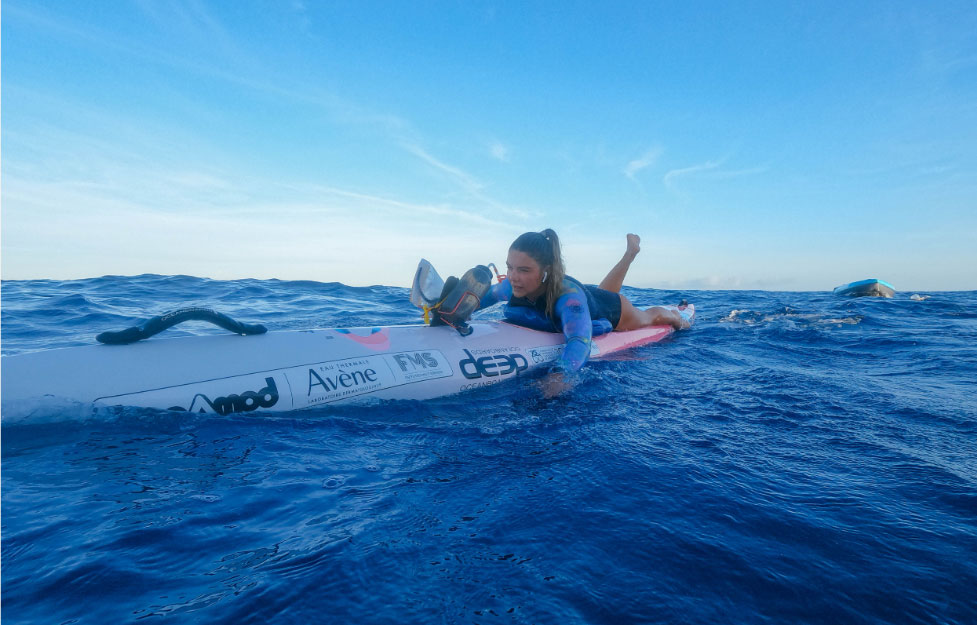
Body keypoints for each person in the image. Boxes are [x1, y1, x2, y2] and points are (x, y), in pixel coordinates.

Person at [477, 229, 689, 397]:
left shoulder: (568, 298)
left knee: (647, 317)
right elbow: (479, 298)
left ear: (546, 271)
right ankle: (629, 255)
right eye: (510, 267)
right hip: (592, 298)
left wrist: (561, 374)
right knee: (600, 293)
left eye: (524, 270)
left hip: (614, 309)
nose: (513, 277)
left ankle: (676, 316)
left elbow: (579, 339)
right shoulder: (513, 285)